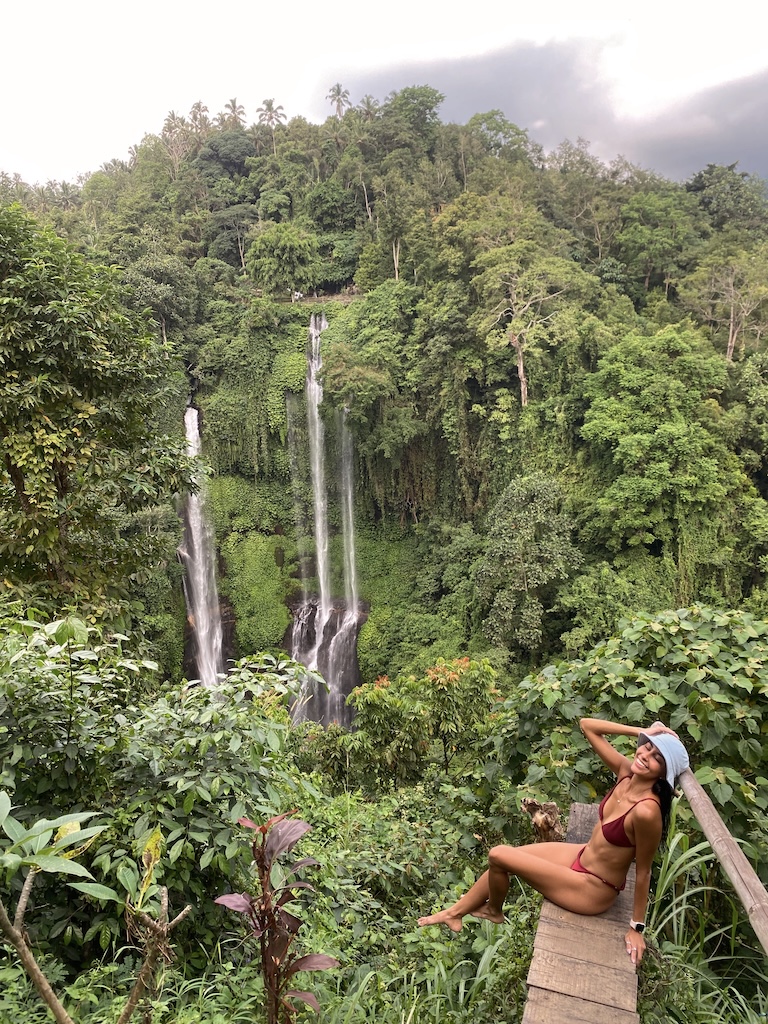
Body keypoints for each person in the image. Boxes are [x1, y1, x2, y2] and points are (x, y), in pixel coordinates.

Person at [418, 717, 690, 964]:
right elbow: (587, 725)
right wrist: (642, 730)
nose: (645, 755)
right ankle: (455, 913)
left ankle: (493, 910)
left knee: (499, 854)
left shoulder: (646, 811)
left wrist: (636, 928)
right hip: (581, 856)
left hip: (594, 888)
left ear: (663, 774)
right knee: (506, 859)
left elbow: (643, 872)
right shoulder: (626, 772)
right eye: (647, 747)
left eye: (657, 758)